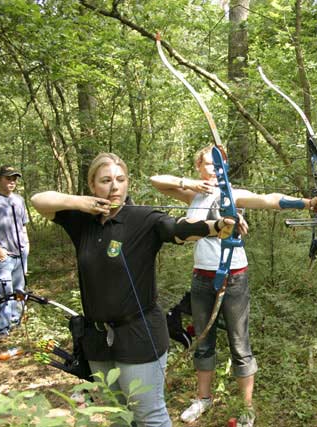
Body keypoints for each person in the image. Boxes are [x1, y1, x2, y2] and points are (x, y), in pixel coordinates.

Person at [31, 152, 247, 427]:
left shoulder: (145, 218)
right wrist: (80, 203)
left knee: (150, 416)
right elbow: (39, 200)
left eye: (120, 179)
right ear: (92, 186)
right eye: (106, 180)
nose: (114, 186)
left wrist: (217, 227)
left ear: (128, 183)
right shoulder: (82, 221)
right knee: (117, 415)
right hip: (97, 340)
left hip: (139, 334)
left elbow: (178, 228)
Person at [150, 145, 317, 426]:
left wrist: (306, 203)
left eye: (218, 164)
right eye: (208, 164)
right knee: (203, 340)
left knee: (239, 343)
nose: (213, 169)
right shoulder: (193, 194)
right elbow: (156, 181)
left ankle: (247, 409)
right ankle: (204, 399)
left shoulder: (232, 195)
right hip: (201, 277)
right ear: (199, 166)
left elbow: (269, 199)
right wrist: (189, 183)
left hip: (233, 277)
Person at [0, 165, 30, 341]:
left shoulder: (19, 200)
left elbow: (23, 225)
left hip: (20, 255)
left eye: (14, 178)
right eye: (8, 178)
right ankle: (1, 329)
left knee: (19, 291)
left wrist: (26, 246)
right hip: (3, 256)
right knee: (3, 293)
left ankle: (15, 323)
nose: (12, 182)